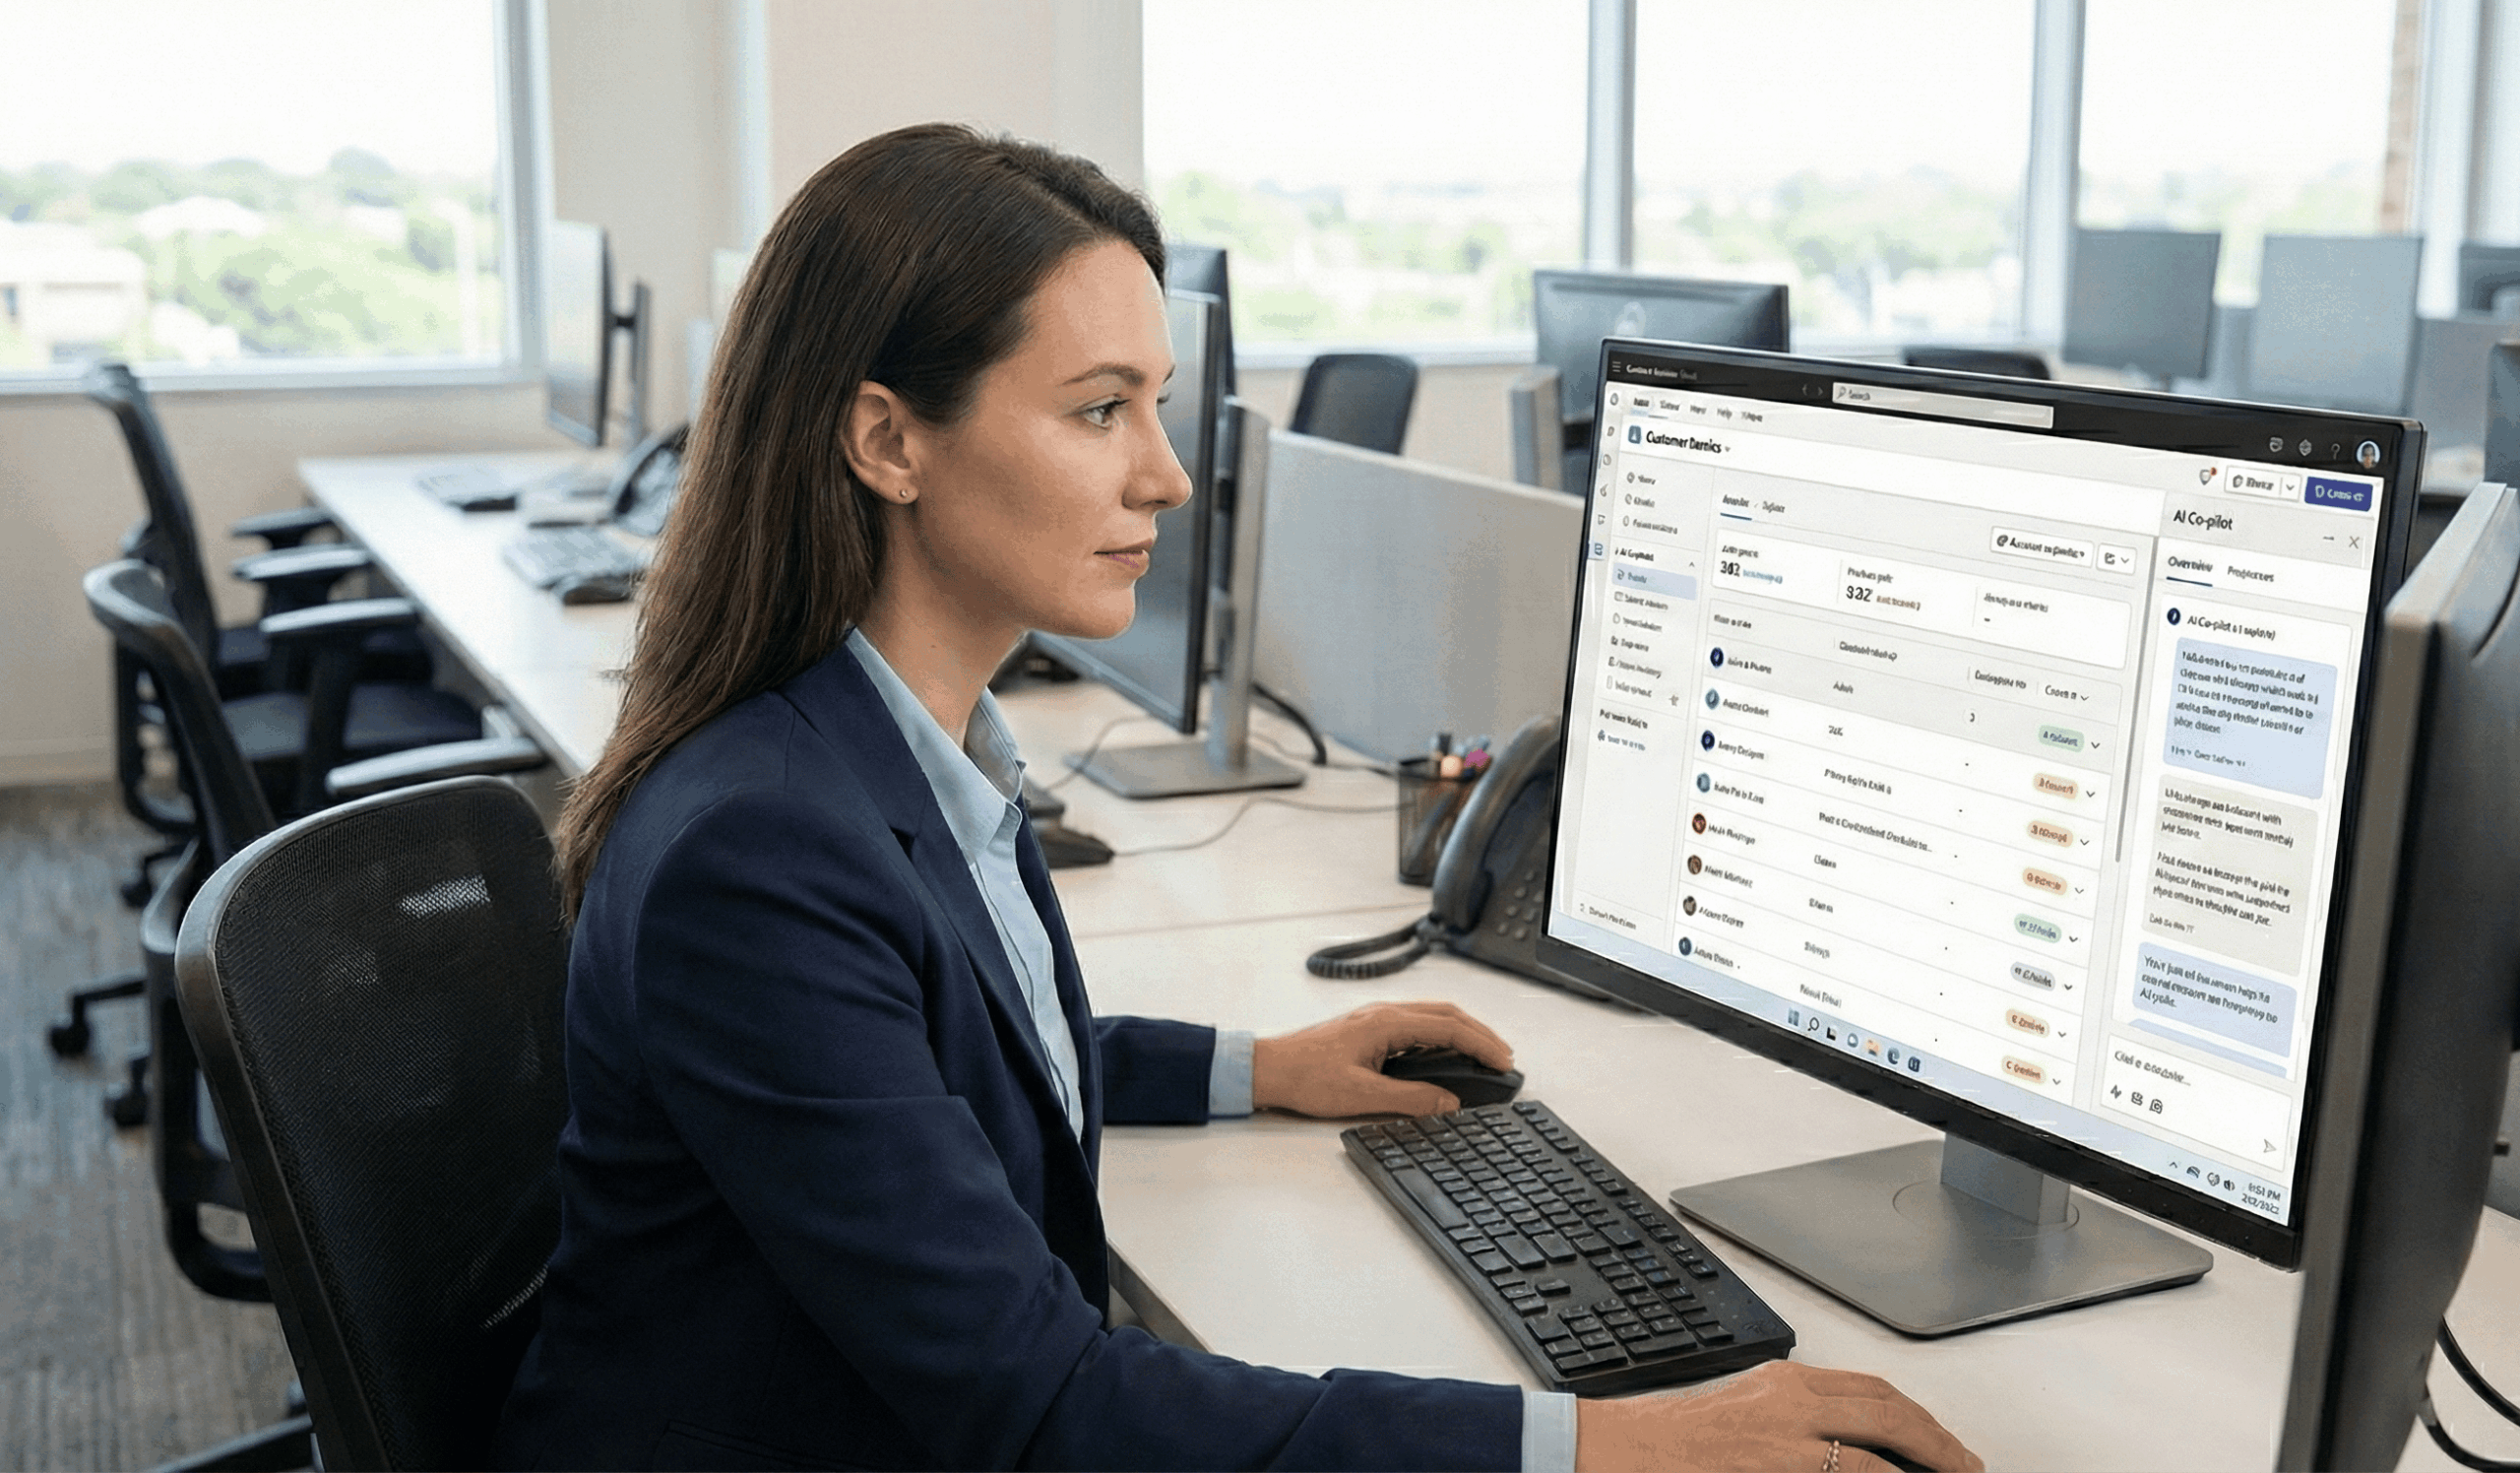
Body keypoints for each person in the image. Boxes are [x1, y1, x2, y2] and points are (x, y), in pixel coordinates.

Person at [491, 122, 1981, 1473]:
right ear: (886, 440)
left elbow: (940, 1047)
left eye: (1158, 405)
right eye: (1095, 412)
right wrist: (1604, 1448)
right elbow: (1051, 1404)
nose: (1166, 478)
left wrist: (1254, 1065)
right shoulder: (757, 856)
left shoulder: (880, 753)